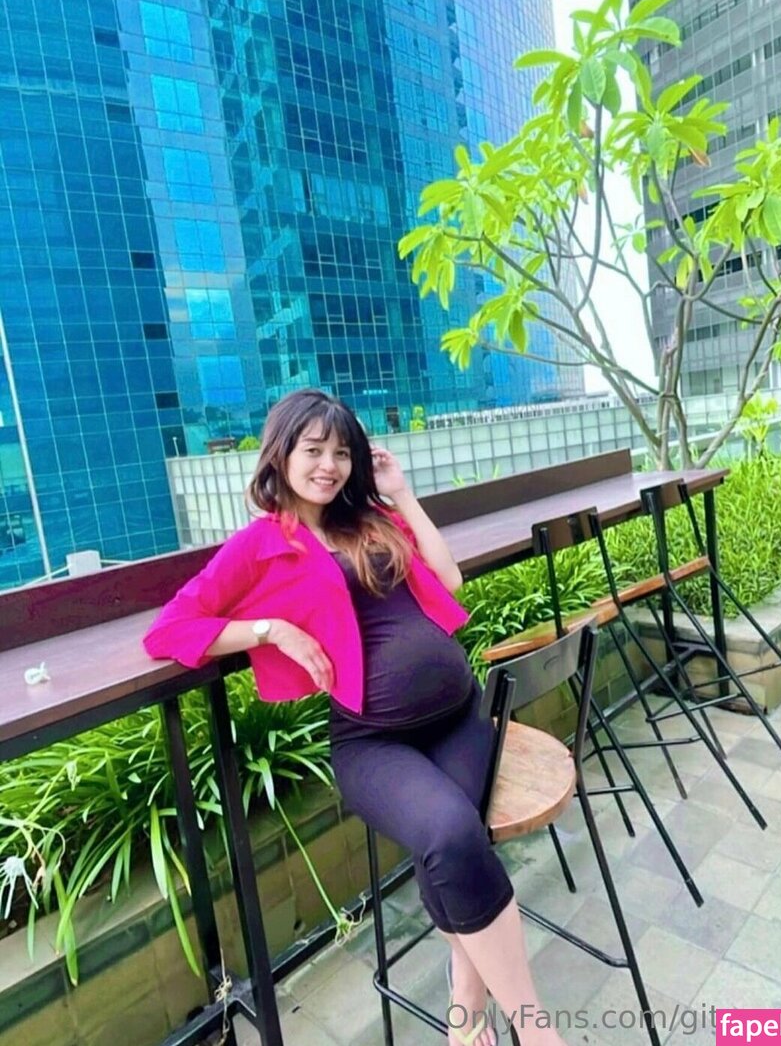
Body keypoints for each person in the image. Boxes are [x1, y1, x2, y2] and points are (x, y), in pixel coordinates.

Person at [143, 389, 568, 1046]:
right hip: (373, 739)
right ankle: (538, 1032)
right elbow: (170, 629)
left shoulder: (371, 518)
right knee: (450, 833)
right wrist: (271, 630)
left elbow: (449, 579)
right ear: (280, 454)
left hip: (459, 715)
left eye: (341, 453)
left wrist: (402, 493)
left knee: (457, 844)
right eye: (313, 450)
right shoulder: (260, 544)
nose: (329, 465)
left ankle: (466, 993)